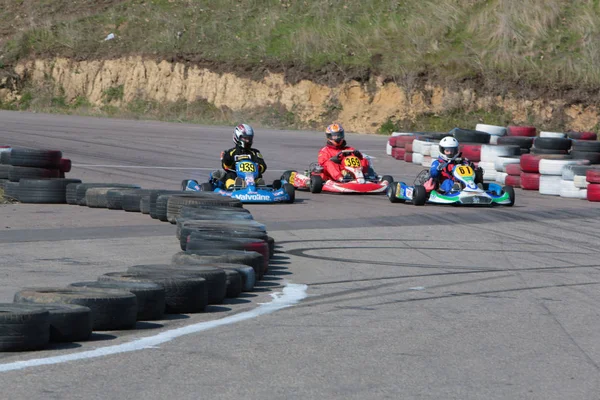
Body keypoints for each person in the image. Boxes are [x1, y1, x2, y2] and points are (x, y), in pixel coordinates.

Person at [214, 124, 267, 188]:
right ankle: (233, 187)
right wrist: (225, 158)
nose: (247, 141)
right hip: (236, 176)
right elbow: (226, 166)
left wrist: (258, 167)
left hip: (252, 176)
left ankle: (258, 185)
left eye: (249, 139)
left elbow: (263, 166)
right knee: (230, 175)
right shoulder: (231, 152)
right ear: (237, 137)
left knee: (258, 176)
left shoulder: (255, 152)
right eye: (245, 138)